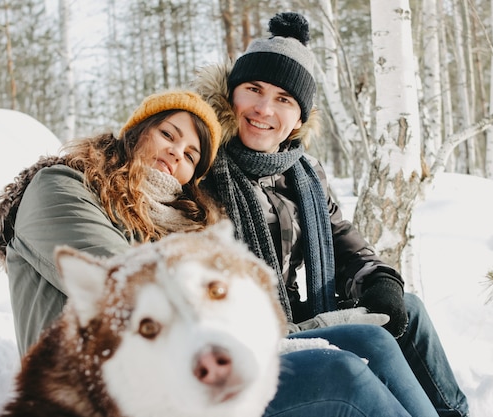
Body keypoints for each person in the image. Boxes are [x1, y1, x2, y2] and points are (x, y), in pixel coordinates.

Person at [0, 90, 437, 417]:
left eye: (190, 154)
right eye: (168, 134)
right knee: (340, 375)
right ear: (137, 132)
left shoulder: (179, 222)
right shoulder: (63, 186)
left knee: (372, 339)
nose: (175, 154)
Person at [193, 12, 470, 417]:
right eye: (253, 89)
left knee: (409, 312)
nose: (264, 108)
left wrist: (380, 282)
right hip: (241, 339)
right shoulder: (201, 164)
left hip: (292, 317)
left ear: (299, 120)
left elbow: (345, 243)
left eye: (284, 100)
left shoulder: (304, 174)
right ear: (230, 93)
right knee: (364, 353)